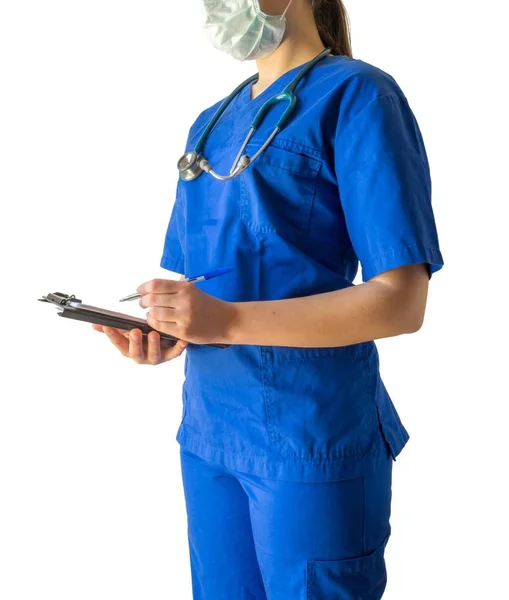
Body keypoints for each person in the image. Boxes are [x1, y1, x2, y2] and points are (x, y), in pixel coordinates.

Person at [93, 1, 444, 598]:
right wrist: (167, 330)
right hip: (209, 433)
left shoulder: (359, 96)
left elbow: (401, 302)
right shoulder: (212, 122)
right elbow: (210, 287)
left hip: (310, 438)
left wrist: (225, 321)